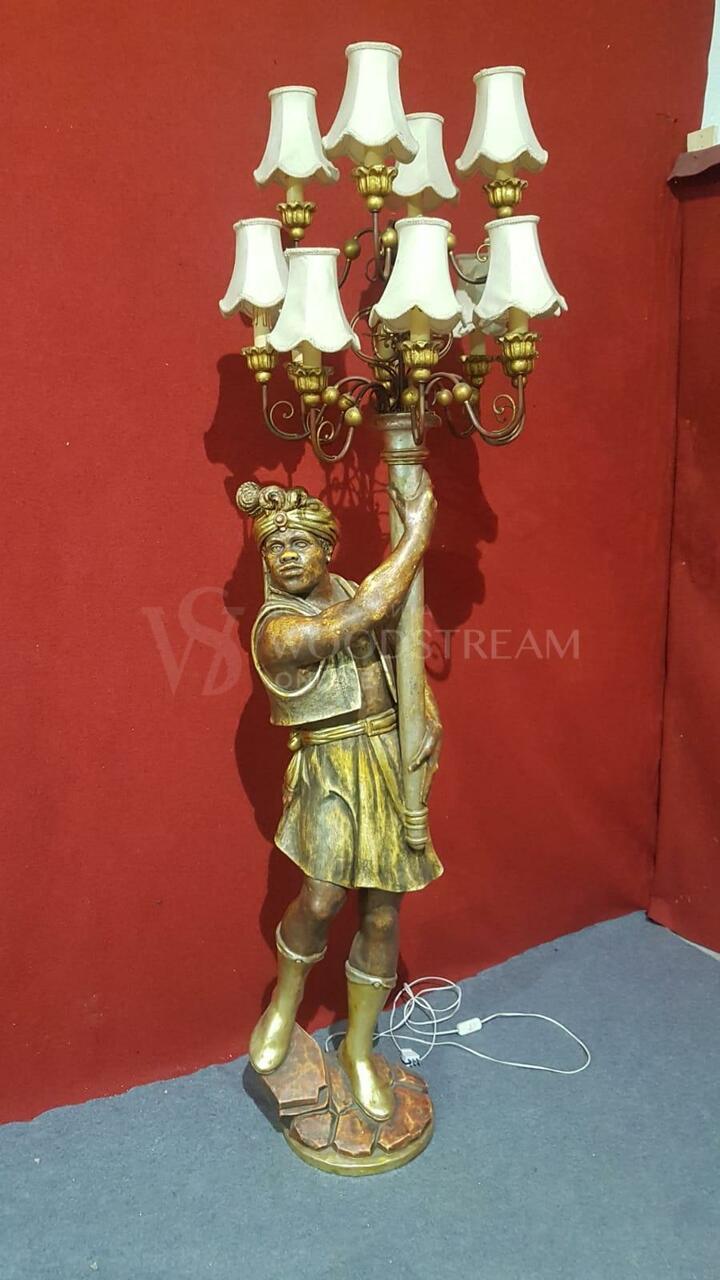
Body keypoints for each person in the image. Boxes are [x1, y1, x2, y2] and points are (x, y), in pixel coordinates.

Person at [236, 477, 443, 1121]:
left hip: (386, 757)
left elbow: (399, 653)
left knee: (381, 915)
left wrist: (425, 717)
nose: (287, 556)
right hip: (328, 766)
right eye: (274, 549)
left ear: (328, 549)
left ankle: (358, 1048)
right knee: (323, 897)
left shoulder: (358, 586)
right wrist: (416, 536)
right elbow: (360, 619)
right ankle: (285, 1002)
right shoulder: (276, 629)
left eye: (300, 543)